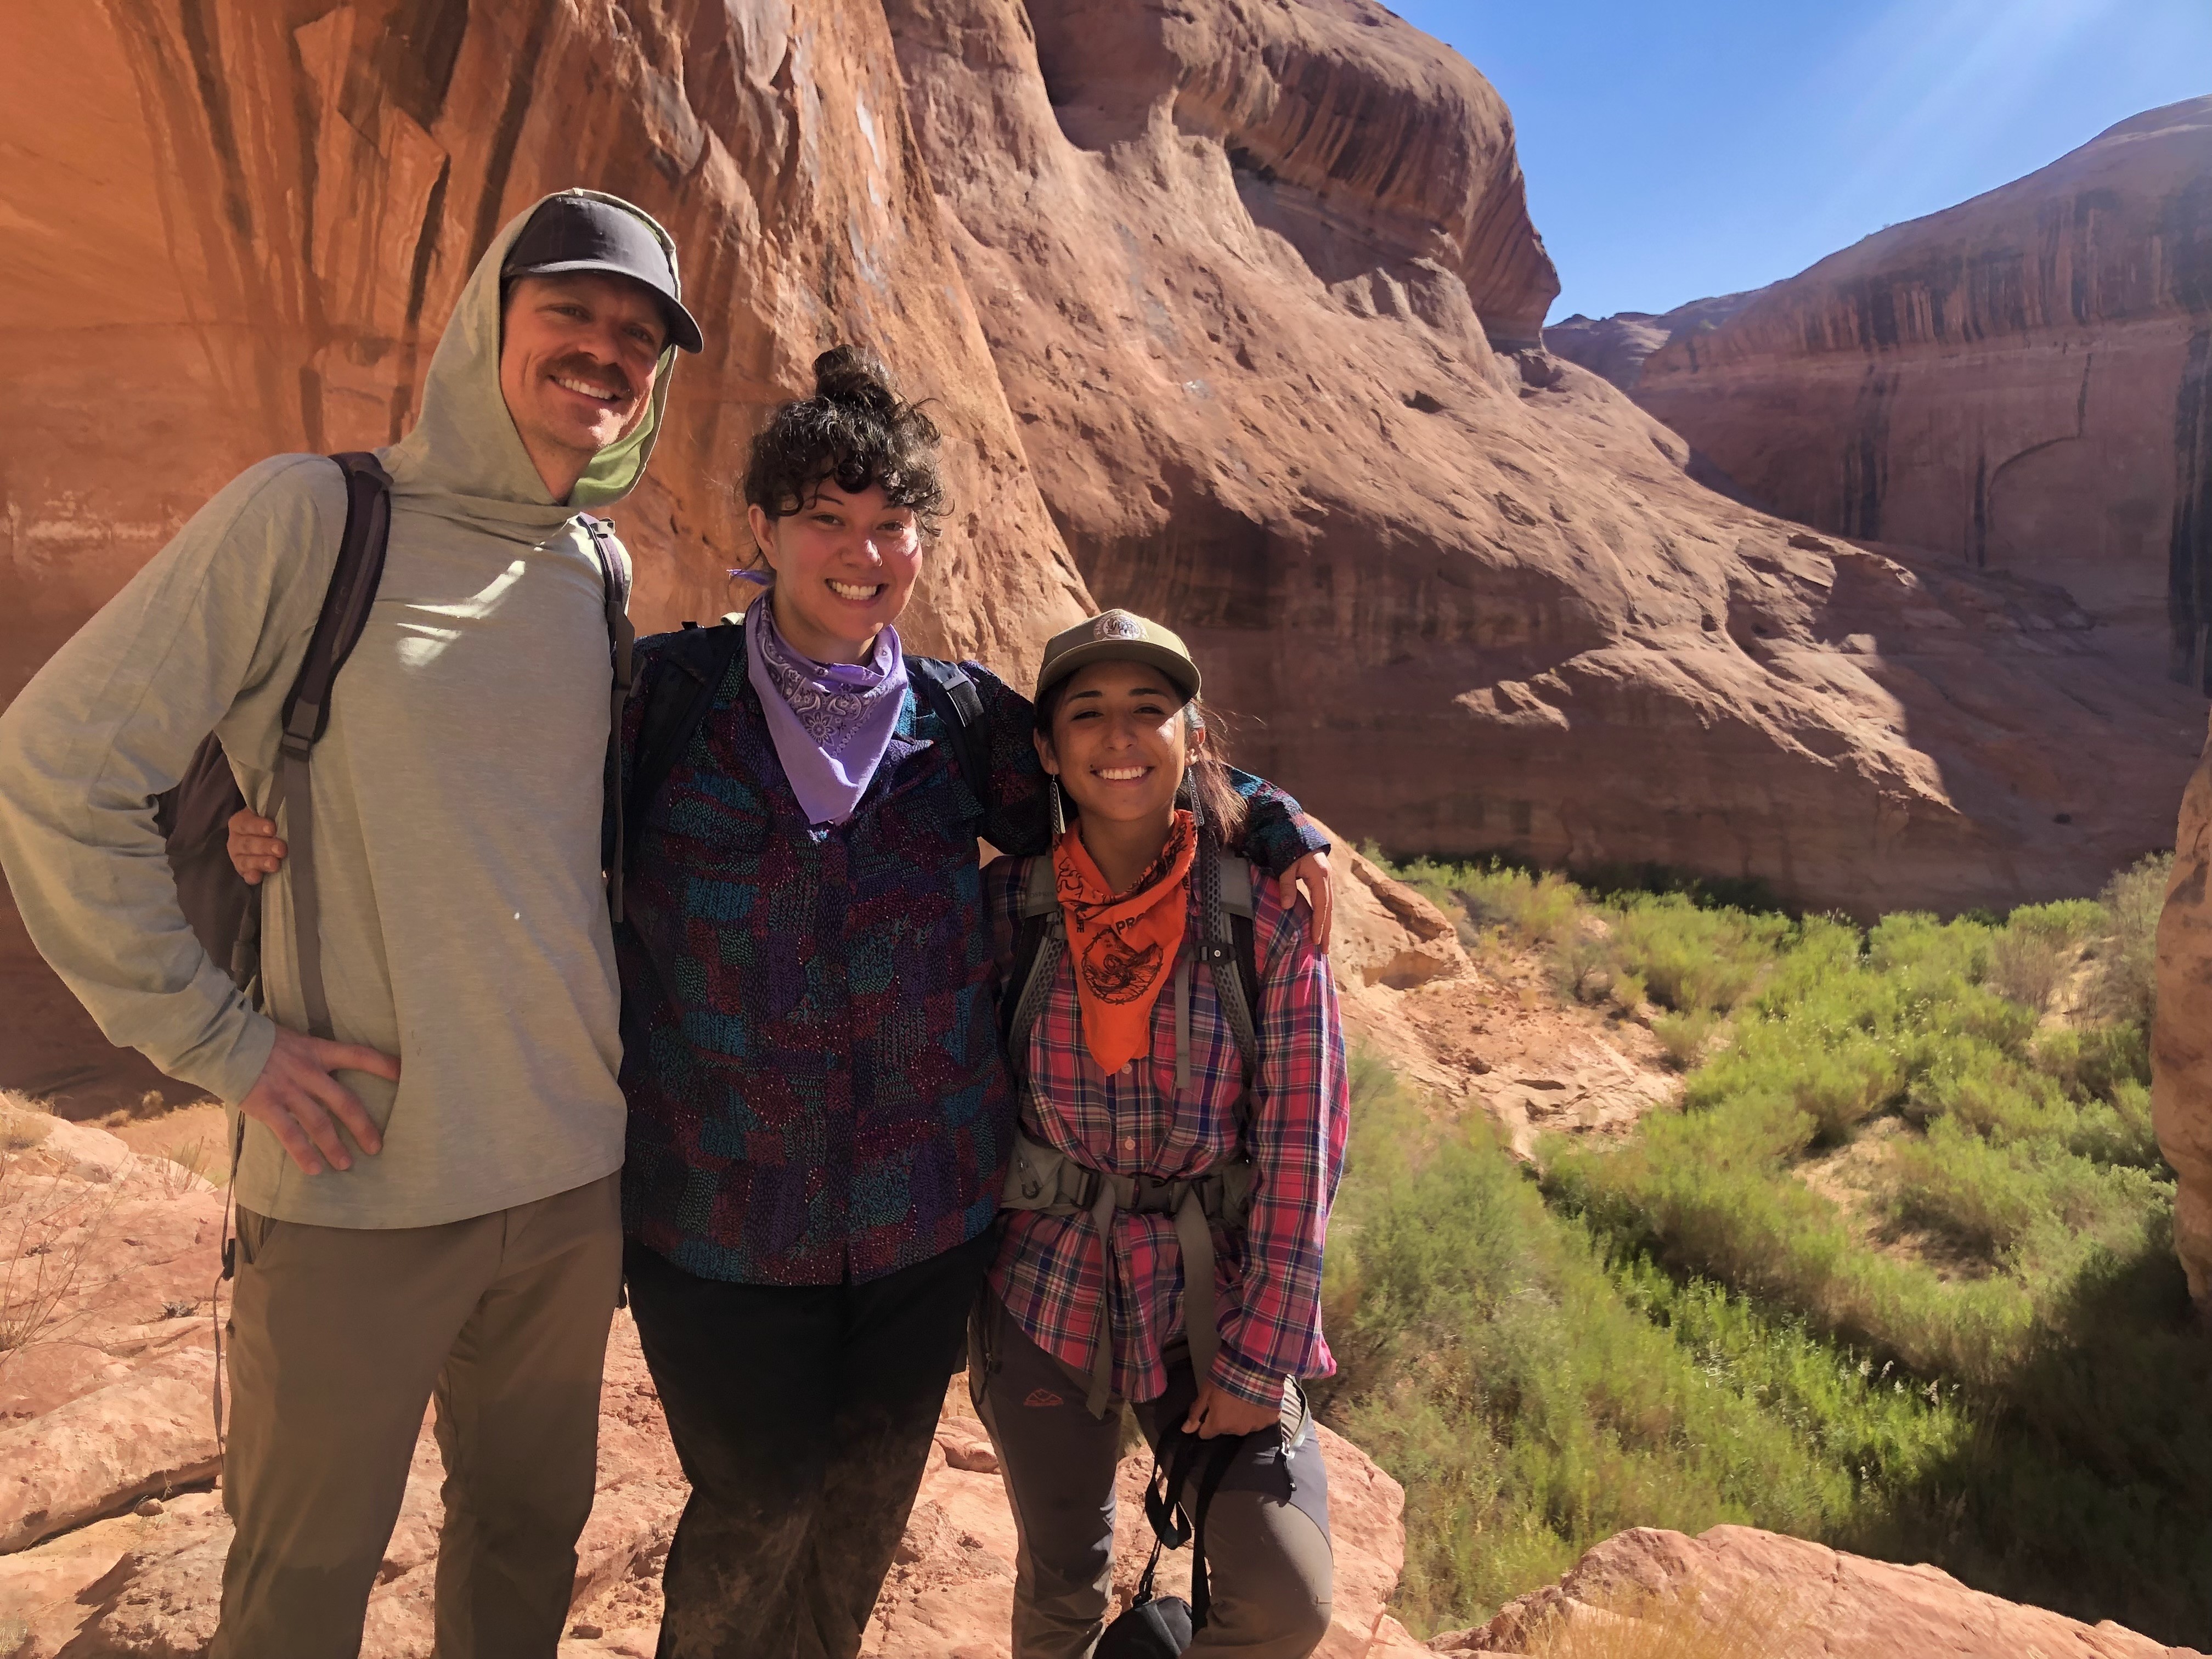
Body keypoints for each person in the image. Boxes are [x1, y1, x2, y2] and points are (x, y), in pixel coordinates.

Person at [228, 346, 1334, 1657]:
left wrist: (1274, 818)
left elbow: (1124, 777)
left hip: (925, 1222)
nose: (859, 553)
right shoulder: (667, 702)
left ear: (920, 546)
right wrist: (271, 820)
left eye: (889, 526)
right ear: (764, 528)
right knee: (754, 1508)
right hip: (716, 1218)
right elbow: (493, 805)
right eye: (826, 519)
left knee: (861, 1520)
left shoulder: (962, 720)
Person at [0, 189, 702, 1656]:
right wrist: (219, 1043)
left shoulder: (597, 574)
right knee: (303, 1582)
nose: (604, 351)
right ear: (485, 326)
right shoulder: (317, 518)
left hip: (568, 1179)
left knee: (521, 1549)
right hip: (357, 1184)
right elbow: (58, 767)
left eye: (637, 335)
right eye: (568, 311)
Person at [969, 610, 1346, 1658]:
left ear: (1194, 737)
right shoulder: (1009, 910)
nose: (1120, 738)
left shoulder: (1265, 917)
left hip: (1210, 1299)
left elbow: (1303, 1151)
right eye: (1087, 715)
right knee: (1061, 1593)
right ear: (1048, 748)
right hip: (1045, 1288)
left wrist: (1261, 1357)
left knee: (1280, 1599)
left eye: (1150, 710)